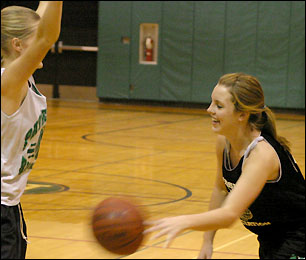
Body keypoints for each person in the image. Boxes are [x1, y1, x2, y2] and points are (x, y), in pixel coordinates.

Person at [144, 73, 305, 259]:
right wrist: (207, 240)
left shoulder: (262, 155)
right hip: (271, 238)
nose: (209, 110)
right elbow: (220, 189)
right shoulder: (224, 142)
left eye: (219, 106)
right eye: (212, 102)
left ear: (242, 115)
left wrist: (183, 221)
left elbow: (229, 214)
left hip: (299, 237)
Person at [1, 2, 62, 258]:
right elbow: (48, 35)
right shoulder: (10, 82)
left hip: (9, 205)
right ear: (17, 45)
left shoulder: (19, 78)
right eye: (35, 40)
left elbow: (43, 16)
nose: (43, 47)